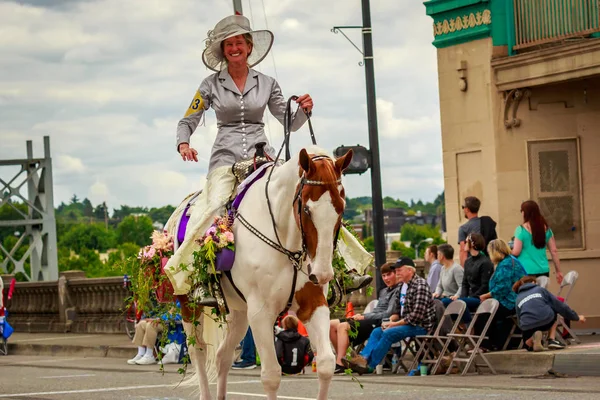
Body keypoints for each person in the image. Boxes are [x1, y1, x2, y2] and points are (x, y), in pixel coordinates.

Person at [162, 15, 372, 304]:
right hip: (225, 160)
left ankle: (343, 268)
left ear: (249, 47)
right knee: (210, 210)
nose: (234, 48)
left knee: (311, 202)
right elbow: (188, 118)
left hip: (263, 159)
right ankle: (200, 279)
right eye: (228, 44)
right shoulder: (209, 84)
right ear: (223, 50)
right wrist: (183, 142)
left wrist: (305, 111)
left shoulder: (268, 83)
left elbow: (290, 123)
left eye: (239, 42)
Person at [344, 259, 436, 374]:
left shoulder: (420, 285)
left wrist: (394, 324)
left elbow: (415, 317)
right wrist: (390, 321)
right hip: (406, 324)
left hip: (421, 326)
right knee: (377, 331)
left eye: (399, 270)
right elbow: (398, 311)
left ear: (410, 270)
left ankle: (369, 366)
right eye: (396, 270)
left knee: (388, 333)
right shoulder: (403, 286)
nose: (397, 273)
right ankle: (363, 358)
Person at [329, 262, 400, 373]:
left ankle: (340, 363)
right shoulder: (384, 291)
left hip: (378, 322)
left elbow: (387, 313)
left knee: (343, 326)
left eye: (389, 274)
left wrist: (364, 316)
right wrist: (363, 316)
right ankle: (346, 358)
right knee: (331, 324)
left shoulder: (398, 291)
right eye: (384, 275)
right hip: (370, 318)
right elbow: (378, 310)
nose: (386, 278)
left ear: (397, 274)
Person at [513, 276, 586, 352]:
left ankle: (531, 340)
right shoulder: (540, 289)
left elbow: (519, 318)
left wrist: (525, 332)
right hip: (545, 321)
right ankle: (551, 339)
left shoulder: (518, 298)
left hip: (527, 326)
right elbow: (560, 305)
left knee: (528, 347)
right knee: (554, 307)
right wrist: (576, 317)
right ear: (533, 282)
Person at [478, 239, 526, 350]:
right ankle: (494, 343)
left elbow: (502, 288)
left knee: (485, 312)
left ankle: (486, 344)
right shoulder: (508, 261)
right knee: (488, 310)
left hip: (512, 301)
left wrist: (485, 296)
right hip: (512, 299)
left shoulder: (506, 265)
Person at [511, 200, 563, 284]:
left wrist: (508, 251)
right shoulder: (546, 229)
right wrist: (558, 271)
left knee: (528, 296)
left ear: (524, 213)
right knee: (540, 295)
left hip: (526, 271)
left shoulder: (520, 230)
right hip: (543, 270)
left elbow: (516, 252)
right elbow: (554, 251)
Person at [460, 233, 494, 321]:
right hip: (470, 297)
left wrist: (471, 297)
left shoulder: (485, 262)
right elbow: (465, 283)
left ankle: (470, 326)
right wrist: (463, 297)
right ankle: (468, 325)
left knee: (459, 303)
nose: (464, 243)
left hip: (480, 297)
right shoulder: (467, 261)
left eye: (466, 241)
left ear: (473, 244)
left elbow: (485, 285)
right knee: (453, 303)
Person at [458, 196, 497, 265]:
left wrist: (464, 270)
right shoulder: (488, 222)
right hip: (490, 262)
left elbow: (463, 251)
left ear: (467, 209)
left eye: (463, 207)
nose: (463, 210)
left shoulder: (463, 228)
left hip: (473, 265)